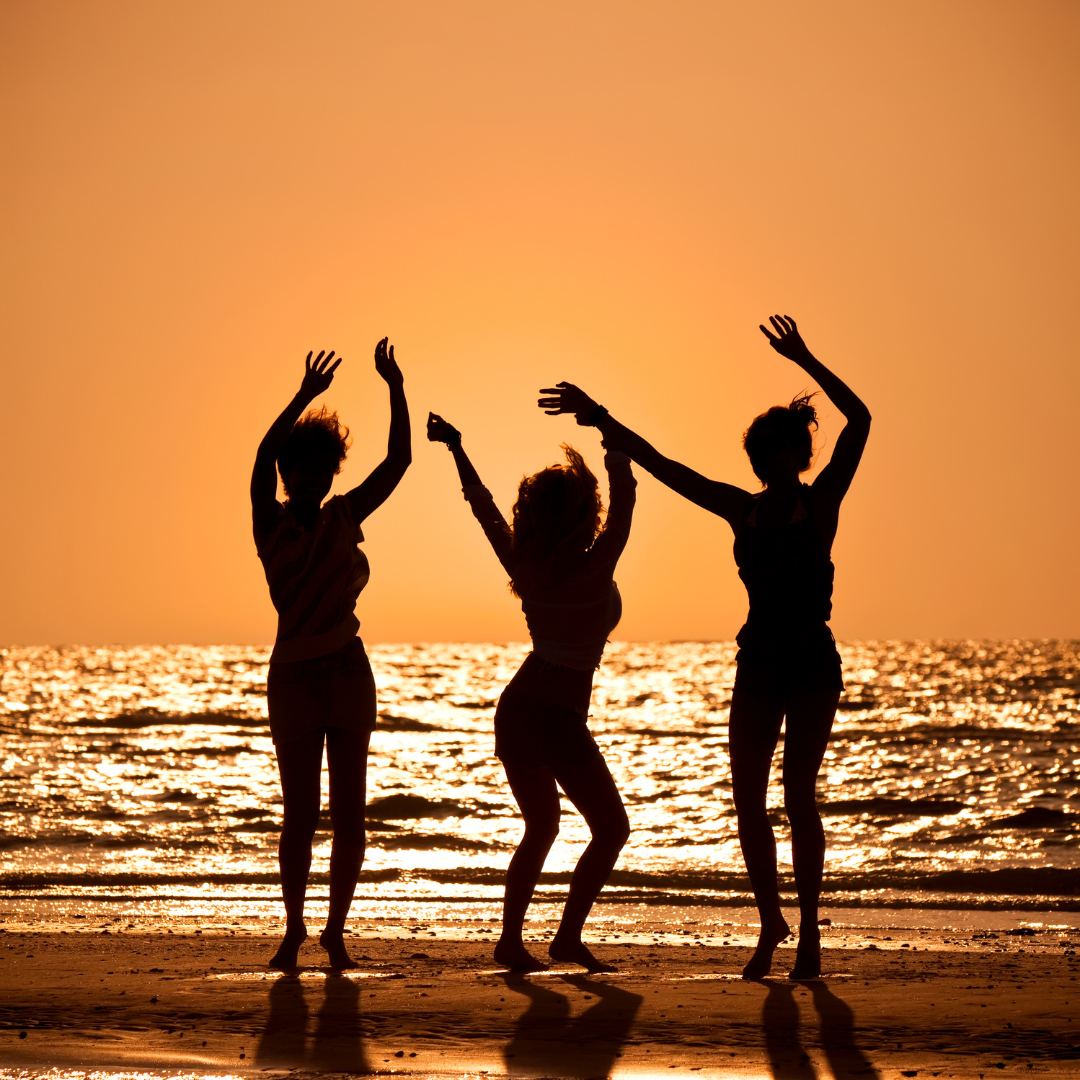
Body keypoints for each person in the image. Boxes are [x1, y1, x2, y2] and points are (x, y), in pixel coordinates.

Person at [538, 315, 870, 979]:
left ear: (797, 456)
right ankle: (769, 924)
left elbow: (860, 421)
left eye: (781, 449)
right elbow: (662, 465)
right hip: (759, 664)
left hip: (810, 662)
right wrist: (599, 414)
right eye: (763, 451)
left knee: (798, 797)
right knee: (749, 801)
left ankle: (807, 937)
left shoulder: (821, 501)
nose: (771, 459)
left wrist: (805, 357)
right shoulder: (739, 508)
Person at [427, 412, 635, 973]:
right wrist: (612, 441)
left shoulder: (524, 563)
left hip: (520, 708)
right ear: (581, 515)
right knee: (611, 828)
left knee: (542, 827)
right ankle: (562, 939)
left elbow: (483, 509)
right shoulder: (595, 567)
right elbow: (627, 501)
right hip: (553, 714)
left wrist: (456, 448)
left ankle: (513, 942)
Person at [251, 338, 411, 969]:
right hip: (292, 674)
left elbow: (399, 462)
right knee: (300, 814)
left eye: (322, 471)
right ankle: (293, 930)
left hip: (346, 669)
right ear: (291, 476)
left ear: (333, 473)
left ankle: (335, 932)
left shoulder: (347, 515)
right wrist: (302, 397)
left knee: (350, 812)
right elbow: (262, 454)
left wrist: (395, 387)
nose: (313, 481)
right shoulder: (270, 521)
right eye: (302, 472)